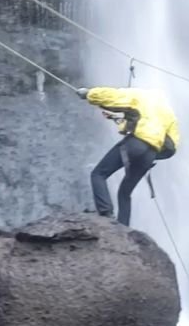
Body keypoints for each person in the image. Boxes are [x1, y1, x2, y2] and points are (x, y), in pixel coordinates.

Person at [77, 85, 180, 227]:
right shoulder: (169, 114)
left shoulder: (142, 95)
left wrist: (89, 94)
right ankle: (123, 229)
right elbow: (171, 148)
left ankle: (106, 213)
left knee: (98, 174)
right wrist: (153, 154)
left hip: (135, 145)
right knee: (125, 193)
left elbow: (112, 96)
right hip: (149, 154)